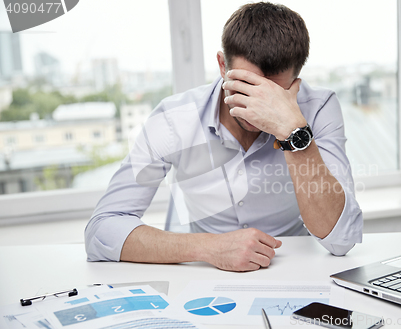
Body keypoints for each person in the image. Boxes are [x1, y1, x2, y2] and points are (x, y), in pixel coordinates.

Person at [85, 2, 362, 272]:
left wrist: (293, 131)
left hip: (294, 269)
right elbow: (102, 230)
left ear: (296, 82)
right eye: (246, 86)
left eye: (273, 93)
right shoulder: (174, 118)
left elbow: (342, 239)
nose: (258, 107)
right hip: (205, 275)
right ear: (222, 65)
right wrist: (208, 248)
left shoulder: (318, 107)